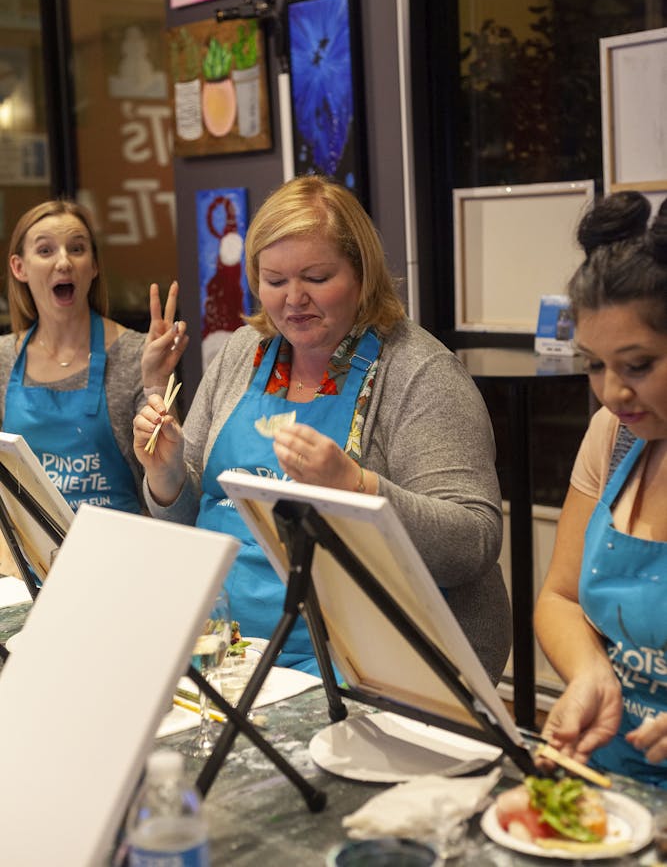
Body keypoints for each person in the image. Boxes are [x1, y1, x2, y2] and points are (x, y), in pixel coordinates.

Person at [134, 175, 511, 682]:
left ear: (362, 273)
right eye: (274, 280)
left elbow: (473, 544)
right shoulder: (244, 353)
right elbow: (185, 519)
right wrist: (167, 476)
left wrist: (357, 487)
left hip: (363, 658)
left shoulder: (420, 373)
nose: (294, 300)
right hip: (227, 642)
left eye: (315, 277)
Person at [534, 191, 667, 788]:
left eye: (637, 365)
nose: (612, 392)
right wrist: (591, 674)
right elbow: (560, 597)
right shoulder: (613, 437)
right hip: (610, 775)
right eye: (595, 364)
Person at [0, 199, 188, 515]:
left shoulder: (137, 355)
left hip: (115, 551)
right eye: (45, 251)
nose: (63, 262)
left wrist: (156, 385)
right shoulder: (4, 358)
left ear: (94, 265)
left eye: (76, 249)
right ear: (19, 267)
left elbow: (173, 501)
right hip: (24, 559)